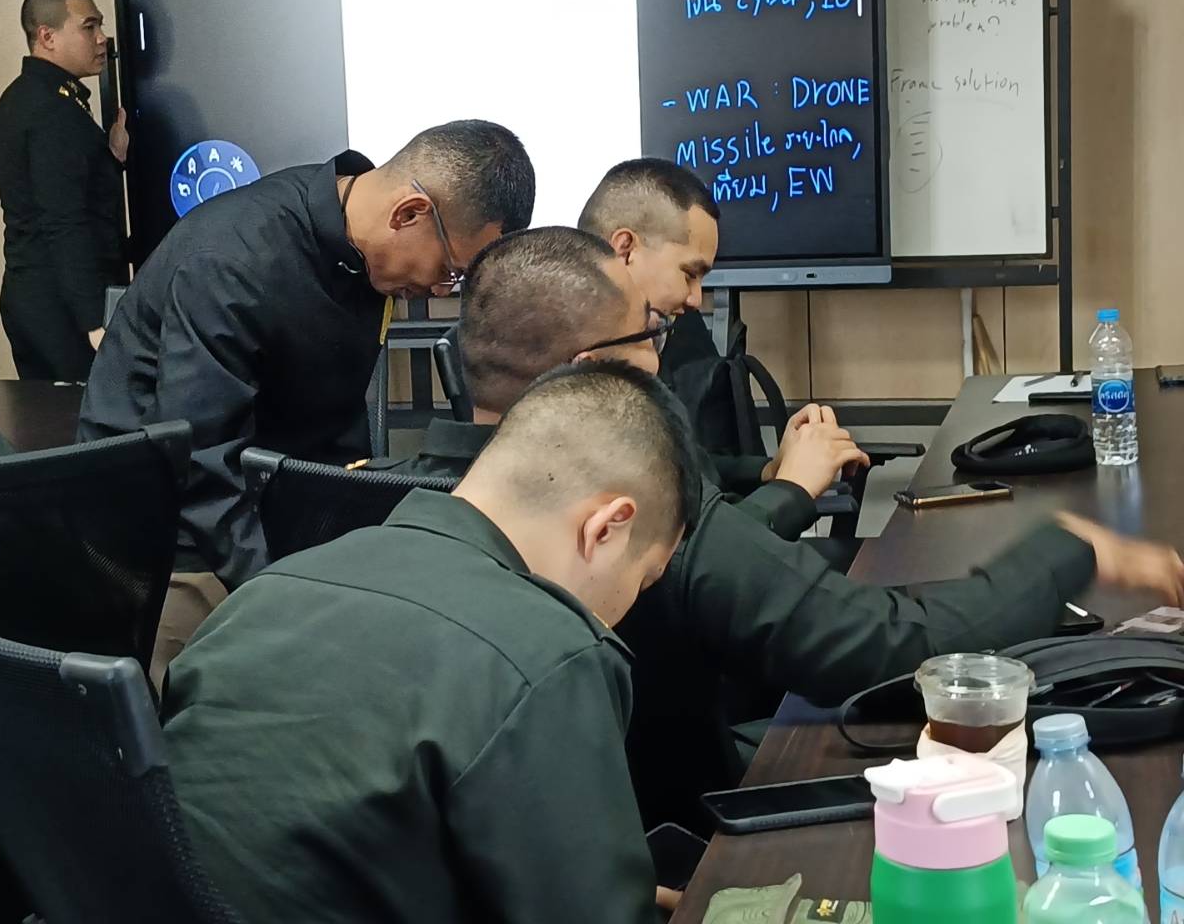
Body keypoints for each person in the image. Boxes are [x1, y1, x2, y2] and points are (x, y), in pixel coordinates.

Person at [369, 225, 1184, 831]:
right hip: (687, 840)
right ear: (594, 374)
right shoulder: (635, 510)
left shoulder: (388, 504)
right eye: (647, 335)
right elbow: (895, 647)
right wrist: (1073, 547)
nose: (662, 356)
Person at [162, 361, 698, 924]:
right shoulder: (551, 653)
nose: (621, 613)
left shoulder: (268, 591)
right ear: (606, 528)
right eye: (643, 579)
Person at [79, 120, 533, 676]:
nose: (441, 290)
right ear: (408, 214)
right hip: (170, 533)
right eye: (450, 271)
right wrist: (290, 592)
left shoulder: (359, 254)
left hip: (269, 504)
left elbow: (334, 428)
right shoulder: (233, 261)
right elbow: (200, 466)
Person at [579, 156, 868, 532]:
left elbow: (690, 472)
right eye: (689, 273)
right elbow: (699, 552)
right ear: (625, 249)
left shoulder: (650, 342)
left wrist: (769, 470)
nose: (695, 299)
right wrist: (791, 487)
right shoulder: (584, 384)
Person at [0, 0, 128, 381]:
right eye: (89, 27)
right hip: (62, 307)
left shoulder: (28, 96)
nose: (101, 39)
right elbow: (63, 220)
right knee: (82, 416)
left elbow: (60, 190)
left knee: (49, 414)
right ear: (47, 36)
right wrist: (94, 321)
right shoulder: (52, 110)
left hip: (37, 296)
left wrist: (111, 158)